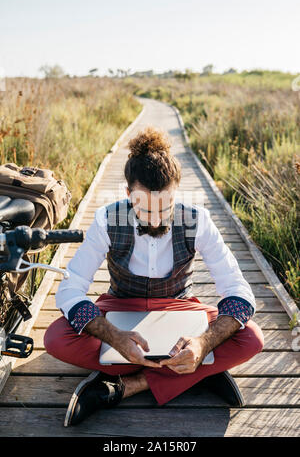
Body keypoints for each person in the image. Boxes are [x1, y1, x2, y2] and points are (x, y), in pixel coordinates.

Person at [44, 126, 264, 427]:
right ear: (127, 195)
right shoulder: (107, 219)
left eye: (166, 207)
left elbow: (238, 289)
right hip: (120, 308)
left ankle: (124, 386)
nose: (157, 218)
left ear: (177, 193)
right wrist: (114, 336)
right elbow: (71, 288)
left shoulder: (197, 220)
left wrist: (203, 342)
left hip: (179, 308)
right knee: (56, 338)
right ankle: (197, 374)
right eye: (145, 208)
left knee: (251, 337)